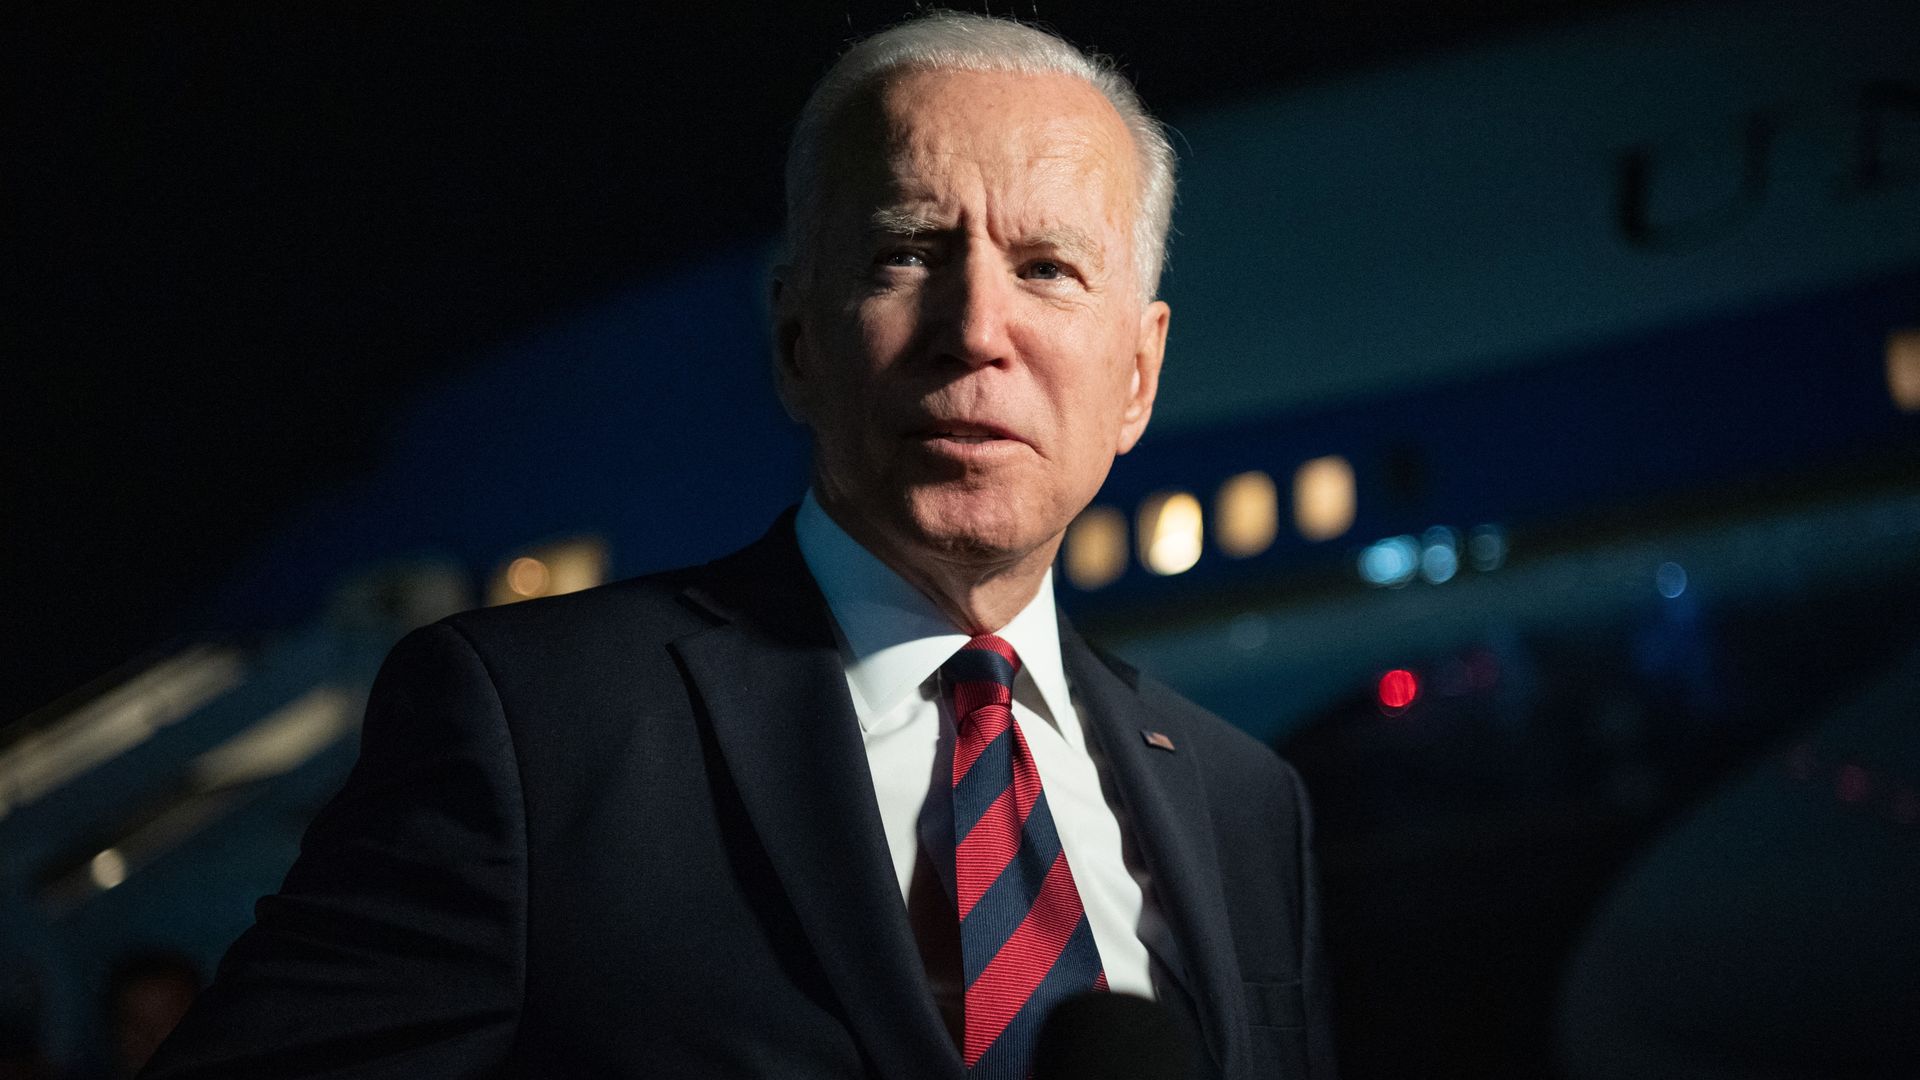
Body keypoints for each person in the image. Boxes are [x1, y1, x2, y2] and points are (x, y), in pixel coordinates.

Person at [143, 12, 1334, 1080]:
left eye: (1047, 269)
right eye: (907, 253)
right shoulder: (532, 729)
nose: (976, 330)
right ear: (797, 337)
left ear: (1137, 375)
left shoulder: (1245, 804)